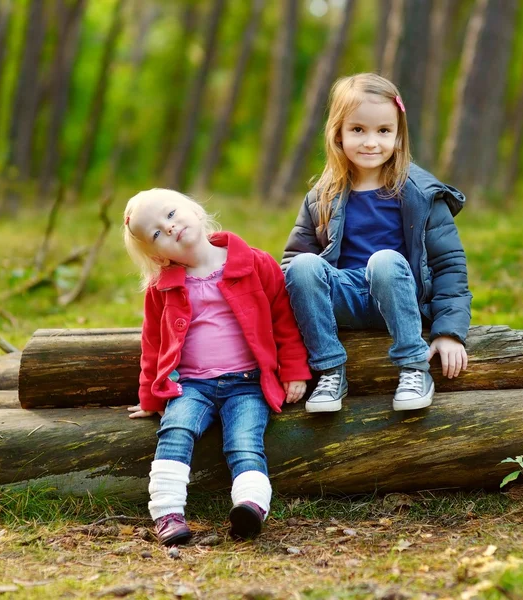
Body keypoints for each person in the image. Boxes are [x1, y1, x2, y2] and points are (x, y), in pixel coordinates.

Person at [123, 188, 310, 546]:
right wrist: (149, 396)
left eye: (172, 214)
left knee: (244, 441)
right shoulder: (162, 288)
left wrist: (295, 370)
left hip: (247, 383)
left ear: (194, 209)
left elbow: (284, 321)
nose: (170, 227)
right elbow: (153, 344)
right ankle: (167, 513)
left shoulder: (254, 263)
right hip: (190, 385)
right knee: (175, 430)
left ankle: (251, 507)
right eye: (157, 233)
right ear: (156, 255)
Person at [282, 73, 471, 414]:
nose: (371, 142)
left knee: (384, 260)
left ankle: (414, 367)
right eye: (358, 130)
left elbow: (448, 266)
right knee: (302, 266)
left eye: (383, 131)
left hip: (401, 293)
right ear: (337, 133)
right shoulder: (322, 196)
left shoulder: (421, 193)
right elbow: (294, 268)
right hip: (345, 300)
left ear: (399, 136)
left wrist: (449, 332)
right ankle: (329, 371)